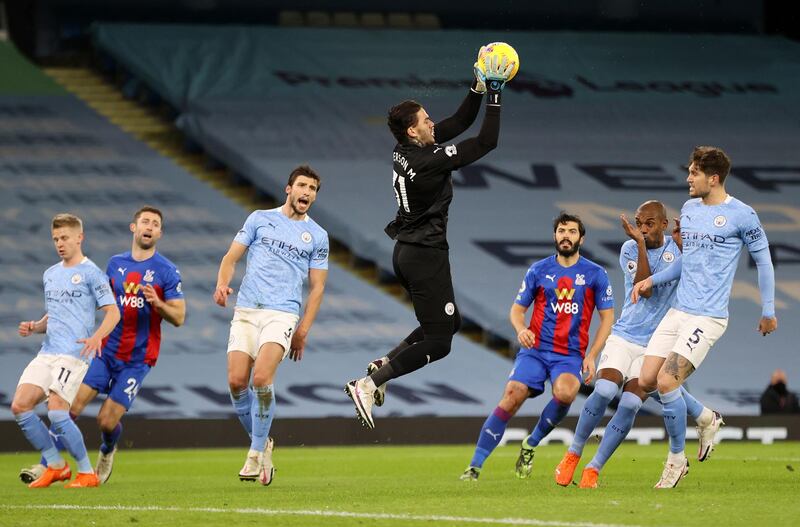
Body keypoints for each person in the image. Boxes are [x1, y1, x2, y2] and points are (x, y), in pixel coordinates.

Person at [344, 50, 515, 430]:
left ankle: (382, 365)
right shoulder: (427, 161)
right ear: (412, 130)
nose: (432, 123)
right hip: (424, 255)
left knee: (446, 325)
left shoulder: (408, 150)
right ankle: (368, 384)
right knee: (440, 342)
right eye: (425, 120)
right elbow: (485, 142)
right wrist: (497, 93)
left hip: (409, 251)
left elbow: (459, 121)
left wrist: (477, 87)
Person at [631, 146, 777, 488]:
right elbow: (689, 260)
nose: (688, 178)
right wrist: (654, 278)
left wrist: (768, 309)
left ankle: (676, 460)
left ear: (713, 178)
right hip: (679, 311)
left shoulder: (743, 215)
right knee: (646, 380)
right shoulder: (690, 209)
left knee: (668, 382)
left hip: (707, 317)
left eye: (694, 173)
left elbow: (764, 261)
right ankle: (706, 417)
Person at [554, 201, 719, 489]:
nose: (642, 228)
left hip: (656, 343)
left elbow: (679, 279)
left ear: (664, 224)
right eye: (639, 222)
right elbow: (644, 288)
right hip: (625, 335)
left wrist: (684, 247)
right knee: (605, 389)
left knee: (630, 402)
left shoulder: (677, 249)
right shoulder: (629, 249)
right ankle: (574, 453)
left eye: (649, 223)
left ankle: (594, 469)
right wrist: (641, 244)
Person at [18, 206, 186, 485]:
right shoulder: (114, 264)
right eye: (145, 221)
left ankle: (107, 449)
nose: (150, 226)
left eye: (156, 224)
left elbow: (179, 317)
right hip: (103, 351)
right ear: (134, 227)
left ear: (160, 233)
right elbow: (83, 301)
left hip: (138, 358)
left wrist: (158, 304)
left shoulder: (166, 270)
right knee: (67, 407)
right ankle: (48, 464)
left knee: (106, 421)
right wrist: (40, 325)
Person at [460, 212, 615, 481]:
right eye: (561, 231)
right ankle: (474, 467)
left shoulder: (595, 274)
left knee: (567, 393)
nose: (566, 236)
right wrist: (521, 330)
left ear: (582, 238)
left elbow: (608, 318)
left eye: (572, 231)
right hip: (536, 350)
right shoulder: (539, 270)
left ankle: (530, 444)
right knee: (512, 394)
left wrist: (592, 355)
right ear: (555, 236)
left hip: (569, 354)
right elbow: (517, 310)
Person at [215, 165, 328, 486]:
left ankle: (253, 455)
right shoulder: (258, 219)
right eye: (303, 186)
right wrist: (223, 284)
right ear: (288, 189)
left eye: (313, 189)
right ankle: (263, 443)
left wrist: (303, 330)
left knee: (261, 378)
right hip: (247, 310)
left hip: (283, 314)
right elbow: (230, 258)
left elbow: (317, 287)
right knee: (237, 382)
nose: (307, 192)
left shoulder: (317, 236)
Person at [11, 213, 119, 488]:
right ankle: (56, 466)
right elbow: (55, 314)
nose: (60, 244)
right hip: (47, 352)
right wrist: (35, 327)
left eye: (65, 238)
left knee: (57, 411)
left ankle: (86, 473)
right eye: (56, 239)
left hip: (75, 353)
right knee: (20, 406)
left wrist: (96, 337)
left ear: (79, 238)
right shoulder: (51, 274)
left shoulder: (92, 273)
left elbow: (113, 312)